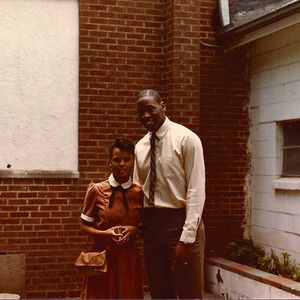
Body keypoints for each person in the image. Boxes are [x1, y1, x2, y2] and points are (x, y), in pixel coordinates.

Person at [133, 89, 206, 299]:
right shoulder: (140, 147)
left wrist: (187, 237)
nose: (146, 115)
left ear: (163, 107)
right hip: (152, 228)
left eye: (150, 109)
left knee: (189, 292)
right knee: (160, 293)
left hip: (180, 223)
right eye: (140, 112)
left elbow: (196, 190)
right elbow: (139, 190)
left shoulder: (187, 139)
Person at [79, 137, 144, 299]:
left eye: (126, 159)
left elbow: (144, 226)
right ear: (109, 163)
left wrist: (134, 229)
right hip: (103, 258)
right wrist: (106, 234)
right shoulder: (96, 190)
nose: (122, 164)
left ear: (133, 162)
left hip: (128, 259)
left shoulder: (139, 193)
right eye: (116, 160)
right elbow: (84, 226)